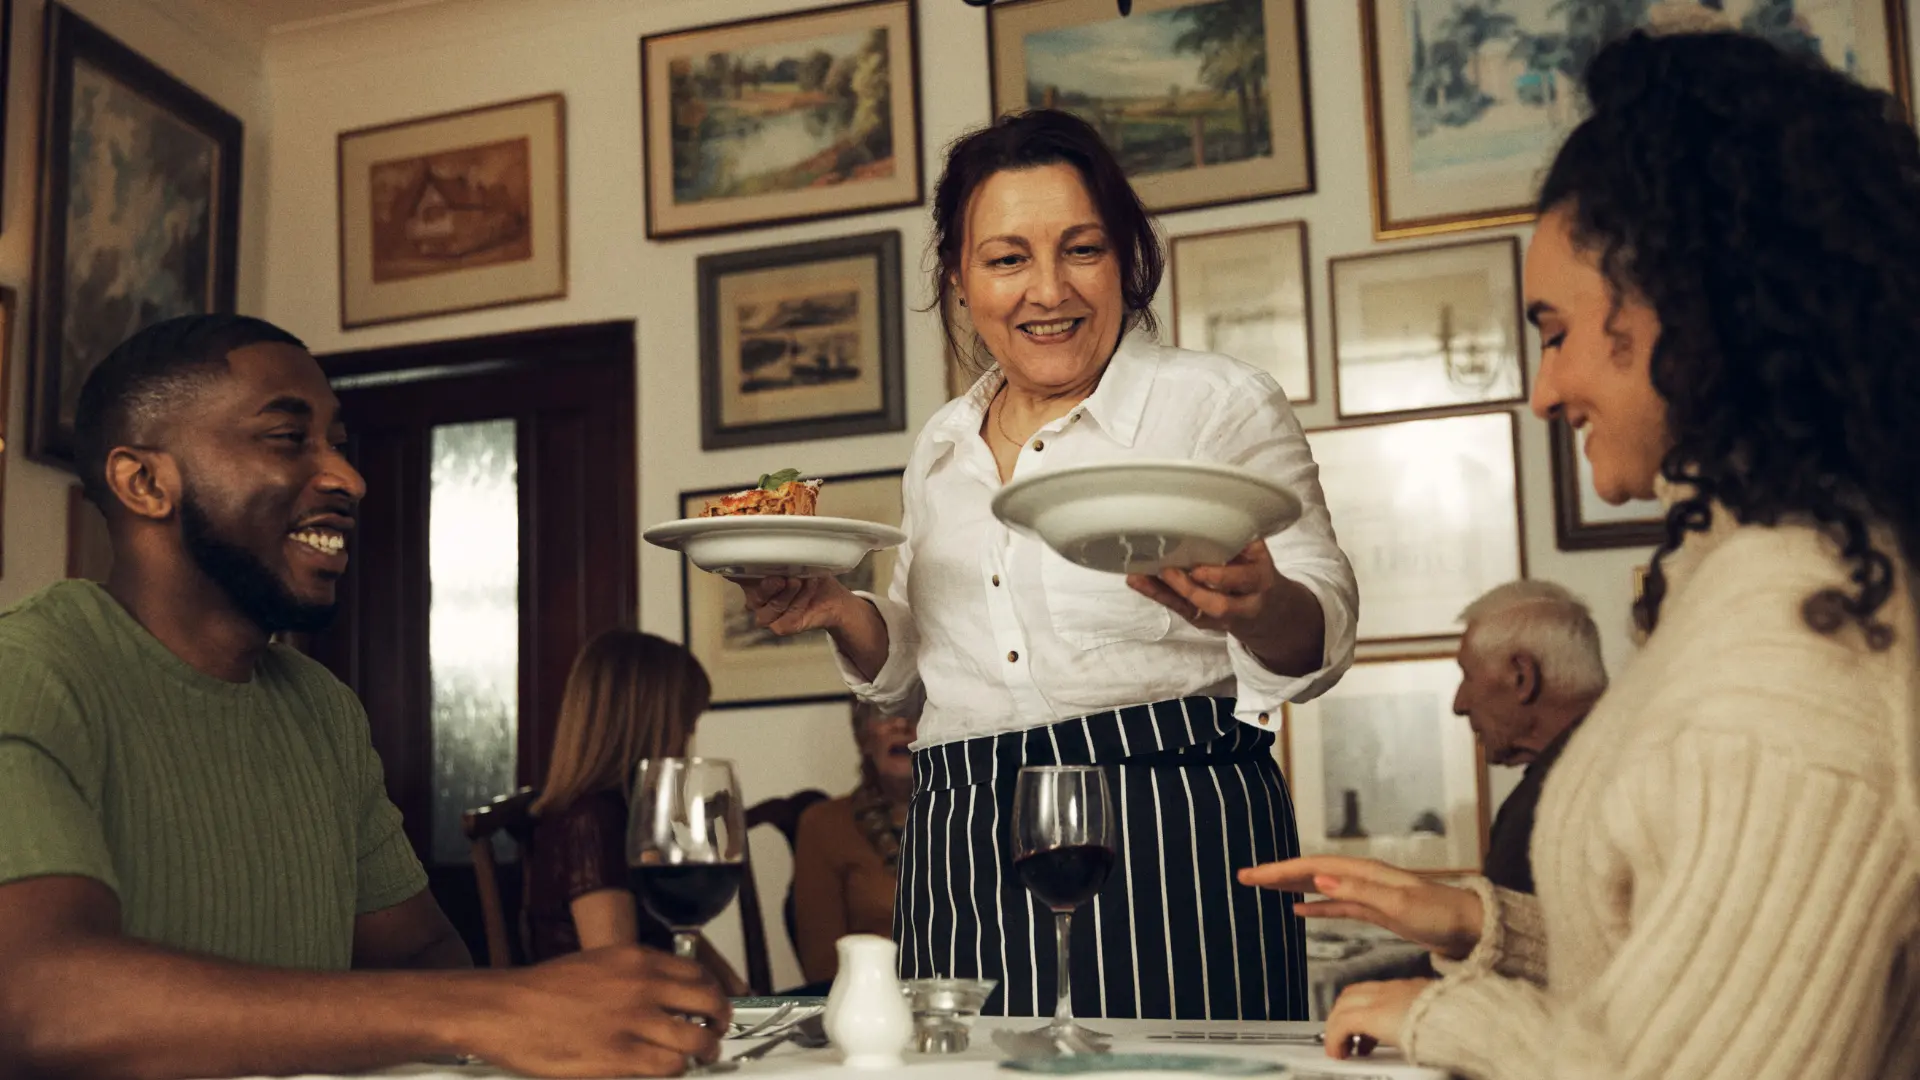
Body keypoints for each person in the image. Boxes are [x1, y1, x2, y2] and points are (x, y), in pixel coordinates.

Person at [1241, 25, 1920, 1080]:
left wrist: (1441, 1018)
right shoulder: (1754, 576)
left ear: (1682, 307)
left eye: (1555, 331)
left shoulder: (1793, 639)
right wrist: (1483, 921)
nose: (1543, 389)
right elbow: (1720, 964)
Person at [740, 109, 1358, 1021]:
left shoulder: (1215, 403)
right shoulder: (941, 448)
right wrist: (840, 609)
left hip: (1167, 826)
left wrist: (1258, 605)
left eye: (1082, 250)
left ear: (1127, 259)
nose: (1047, 289)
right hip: (961, 835)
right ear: (959, 276)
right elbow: (918, 668)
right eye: (1006, 259)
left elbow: (1323, 630)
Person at [0, 315, 727, 1079]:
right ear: (145, 482)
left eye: (337, 444)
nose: (348, 478)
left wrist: (551, 1023)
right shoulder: (31, 672)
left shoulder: (319, 706)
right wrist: (493, 1008)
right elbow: (34, 999)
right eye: (288, 439)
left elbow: (419, 953)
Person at [521, 629, 747, 994]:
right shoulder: (590, 822)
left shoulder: (629, 813)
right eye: (687, 721)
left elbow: (673, 927)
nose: (690, 735)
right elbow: (618, 971)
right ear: (646, 723)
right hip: (599, 1029)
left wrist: (738, 990)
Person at [1453, 580, 1606, 894]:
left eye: (1468, 675)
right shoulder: (1633, 760)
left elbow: (1510, 940)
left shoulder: (1549, 808)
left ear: (1521, 677)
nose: (1460, 704)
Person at [791, 702, 917, 985]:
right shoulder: (823, 824)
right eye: (884, 711)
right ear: (863, 736)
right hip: (869, 1004)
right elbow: (822, 967)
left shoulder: (977, 817)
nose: (901, 725)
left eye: (919, 711)